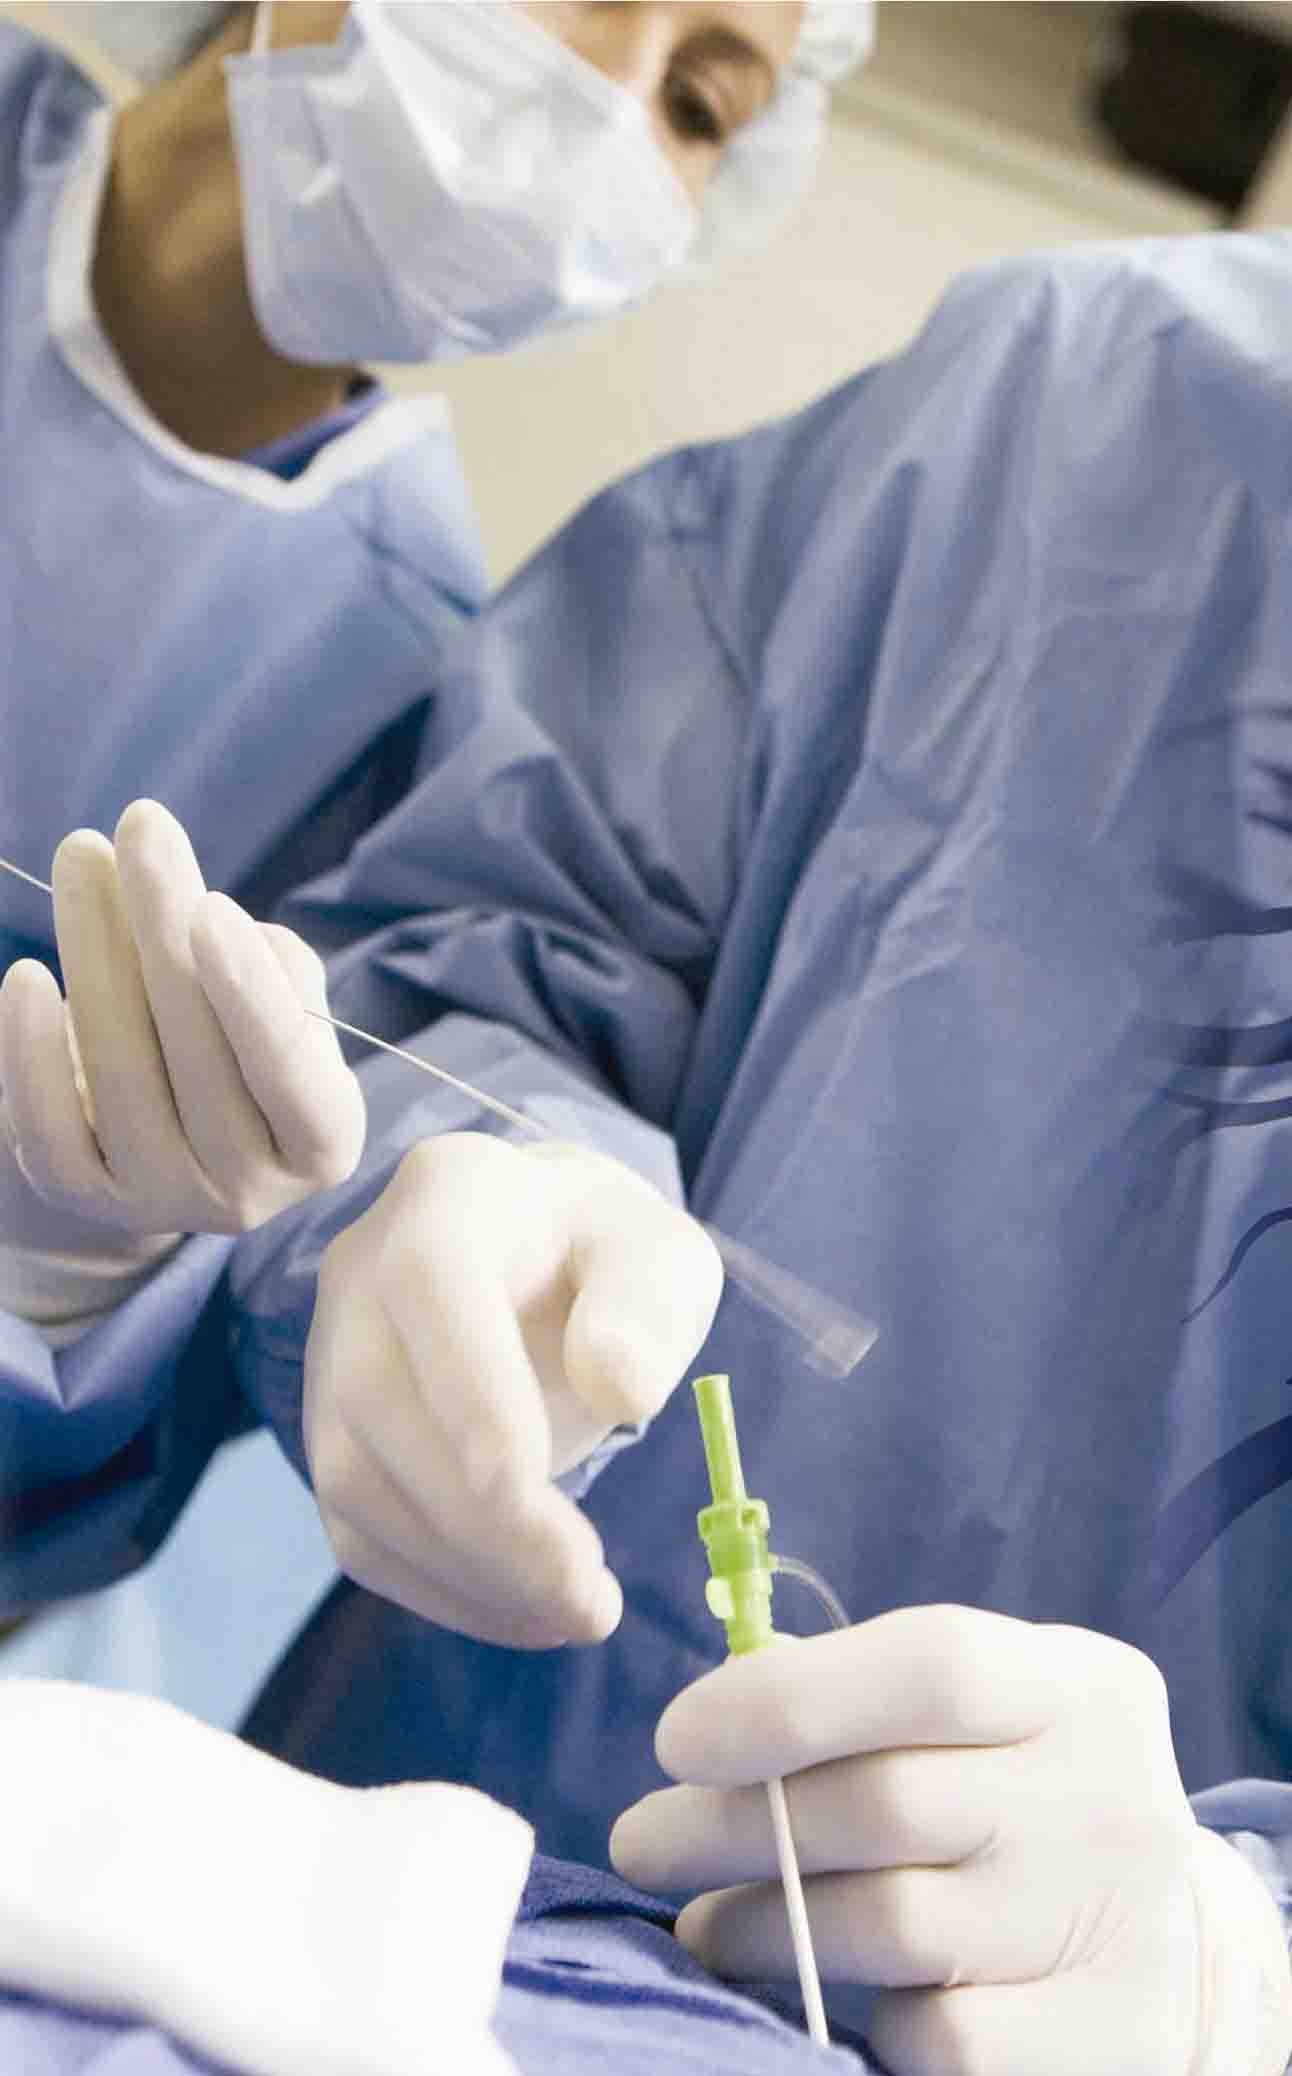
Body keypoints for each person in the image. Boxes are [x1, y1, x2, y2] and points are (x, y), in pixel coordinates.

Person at [6, 221, 1292, 2068]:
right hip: (417, 1934)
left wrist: (1242, 1972)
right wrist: (477, 1176)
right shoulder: (1077, 422)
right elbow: (502, 934)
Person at [0, 0, 872, 1710]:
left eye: (700, 105)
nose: (606, 102)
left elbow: (44, 1516)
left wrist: (59, 1287)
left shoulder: (425, 707)